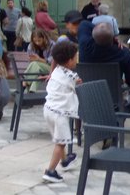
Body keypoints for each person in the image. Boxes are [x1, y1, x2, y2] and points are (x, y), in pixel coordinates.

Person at [42, 40, 81, 183]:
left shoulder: (55, 72)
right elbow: (78, 83)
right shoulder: (71, 76)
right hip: (59, 114)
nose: (77, 60)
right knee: (61, 143)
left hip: (48, 110)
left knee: (59, 138)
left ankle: (65, 160)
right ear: (70, 61)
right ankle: (50, 171)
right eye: (76, 57)